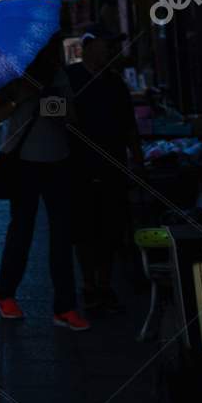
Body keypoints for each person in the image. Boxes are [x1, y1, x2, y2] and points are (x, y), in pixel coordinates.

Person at [0, 36, 89, 331]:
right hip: (24, 165)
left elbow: (72, 116)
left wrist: (51, 103)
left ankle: (65, 307)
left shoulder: (59, 74)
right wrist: (20, 96)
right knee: (21, 231)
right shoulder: (10, 74)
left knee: (61, 236)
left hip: (58, 161)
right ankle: (5, 293)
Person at [67, 31, 143, 314]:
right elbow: (49, 111)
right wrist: (68, 112)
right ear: (87, 49)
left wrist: (138, 160)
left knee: (111, 226)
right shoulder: (69, 78)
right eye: (103, 46)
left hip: (113, 164)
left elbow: (129, 125)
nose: (108, 52)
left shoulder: (115, 83)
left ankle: (105, 283)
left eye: (110, 48)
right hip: (79, 166)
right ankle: (88, 285)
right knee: (84, 228)